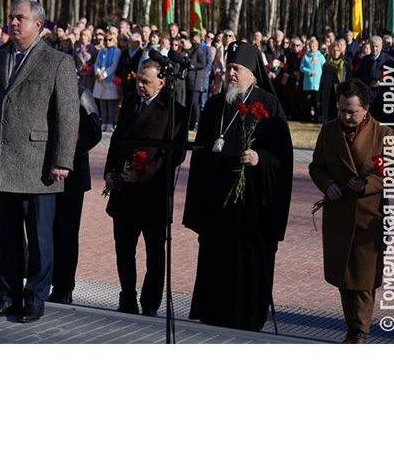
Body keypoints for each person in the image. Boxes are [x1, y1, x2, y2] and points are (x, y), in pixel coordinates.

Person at [0, 0, 79, 323]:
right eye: (11, 17)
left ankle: (35, 298)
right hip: (1, 163)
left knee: (41, 240)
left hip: (39, 165)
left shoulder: (57, 62)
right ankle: (8, 296)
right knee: (7, 238)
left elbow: (67, 115)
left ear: (38, 25)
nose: (13, 23)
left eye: (21, 18)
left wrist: (62, 160)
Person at [183, 42, 294, 332]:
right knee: (215, 258)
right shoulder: (215, 105)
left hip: (250, 206)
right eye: (228, 67)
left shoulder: (268, 105)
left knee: (246, 262)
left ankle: (246, 316)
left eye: (237, 69)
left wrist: (260, 159)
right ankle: (212, 312)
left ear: (252, 74)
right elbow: (201, 151)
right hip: (217, 202)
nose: (230, 73)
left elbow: (282, 158)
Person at [308, 78, 394, 343]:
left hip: (368, 217)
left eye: (352, 111)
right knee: (343, 276)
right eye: (342, 110)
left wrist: (366, 184)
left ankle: (360, 332)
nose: (346, 116)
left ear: (366, 109)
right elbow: (316, 167)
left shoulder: (383, 133)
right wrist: (328, 186)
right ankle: (351, 327)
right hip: (338, 214)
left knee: (364, 278)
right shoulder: (328, 130)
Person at [105, 59, 189, 316]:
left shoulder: (173, 110)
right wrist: (110, 171)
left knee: (155, 253)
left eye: (145, 81)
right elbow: (117, 140)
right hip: (124, 191)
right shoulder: (131, 101)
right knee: (124, 250)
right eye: (138, 80)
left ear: (161, 82)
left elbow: (174, 154)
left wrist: (142, 175)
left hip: (152, 192)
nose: (139, 85)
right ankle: (127, 298)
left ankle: (150, 303)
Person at [50, 85, 103, 304]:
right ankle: (46, 281)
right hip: (45, 175)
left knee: (66, 235)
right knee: (46, 233)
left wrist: (64, 154)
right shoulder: (47, 88)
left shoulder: (81, 93)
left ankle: (63, 287)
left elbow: (94, 133)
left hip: (71, 178)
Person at [92, 33, 121, 131]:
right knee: (102, 102)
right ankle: (103, 122)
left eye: (110, 40)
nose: (107, 42)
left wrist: (103, 75)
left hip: (109, 79)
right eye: (106, 40)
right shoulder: (102, 50)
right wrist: (97, 72)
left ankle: (110, 123)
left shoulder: (116, 51)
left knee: (110, 103)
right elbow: (96, 64)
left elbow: (114, 65)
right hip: (100, 79)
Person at [185, 30, 209, 131]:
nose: (194, 42)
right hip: (189, 81)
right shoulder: (190, 50)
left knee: (195, 103)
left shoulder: (199, 50)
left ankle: (196, 122)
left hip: (196, 81)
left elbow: (203, 64)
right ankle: (191, 122)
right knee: (190, 103)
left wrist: (191, 64)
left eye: (195, 40)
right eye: (192, 40)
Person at [299, 37, 326, 122]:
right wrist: (309, 72)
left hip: (317, 83)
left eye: (313, 46)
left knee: (316, 101)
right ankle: (309, 117)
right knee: (308, 101)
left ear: (317, 47)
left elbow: (324, 68)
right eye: (310, 46)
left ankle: (316, 117)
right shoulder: (306, 56)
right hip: (308, 83)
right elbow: (301, 67)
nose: (312, 48)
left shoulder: (321, 57)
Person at [73, 28, 98, 92]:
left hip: (89, 76)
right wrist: (76, 73)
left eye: (85, 35)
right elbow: (73, 62)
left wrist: (89, 70)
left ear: (88, 37)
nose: (83, 37)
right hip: (79, 76)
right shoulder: (76, 49)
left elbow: (96, 62)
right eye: (81, 35)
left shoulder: (93, 49)